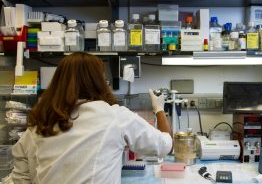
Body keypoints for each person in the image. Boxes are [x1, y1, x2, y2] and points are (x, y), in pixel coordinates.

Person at [11, 52, 172, 184]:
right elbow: (165, 145)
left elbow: (20, 179)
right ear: (98, 82)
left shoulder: (39, 124)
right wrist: (159, 109)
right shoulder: (114, 117)